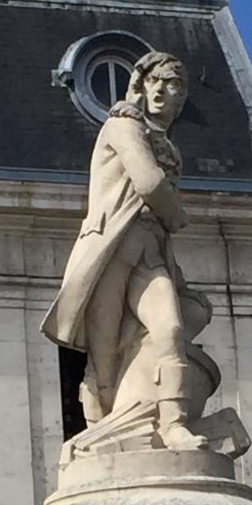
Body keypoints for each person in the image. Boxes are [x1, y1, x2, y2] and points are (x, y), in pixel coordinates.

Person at [41, 50, 209, 450]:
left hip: (150, 254)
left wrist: (176, 267)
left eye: (175, 85)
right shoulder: (122, 126)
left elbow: (157, 208)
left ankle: (173, 423)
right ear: (141, 86)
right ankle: (97, 443)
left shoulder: (170, 148)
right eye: (157, 82)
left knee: (170, 328)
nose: (164, 92)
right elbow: (149, 183)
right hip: (111, 250)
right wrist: (177, 215)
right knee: (104, 363)